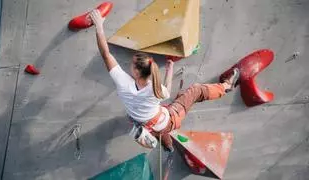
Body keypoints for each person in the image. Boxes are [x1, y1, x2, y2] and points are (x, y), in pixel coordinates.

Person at [89, 10, 240, 152]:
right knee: (196, 90)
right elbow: (166, 89)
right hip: (168, 121)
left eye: (132, 63)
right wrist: (170, 69)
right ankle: (226, 86)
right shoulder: (154, 89)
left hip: (148, 126)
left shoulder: (124, 84)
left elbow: (106, 54)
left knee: (159, 129)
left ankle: (168, 146)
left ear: (136, 72)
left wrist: (99, 26)